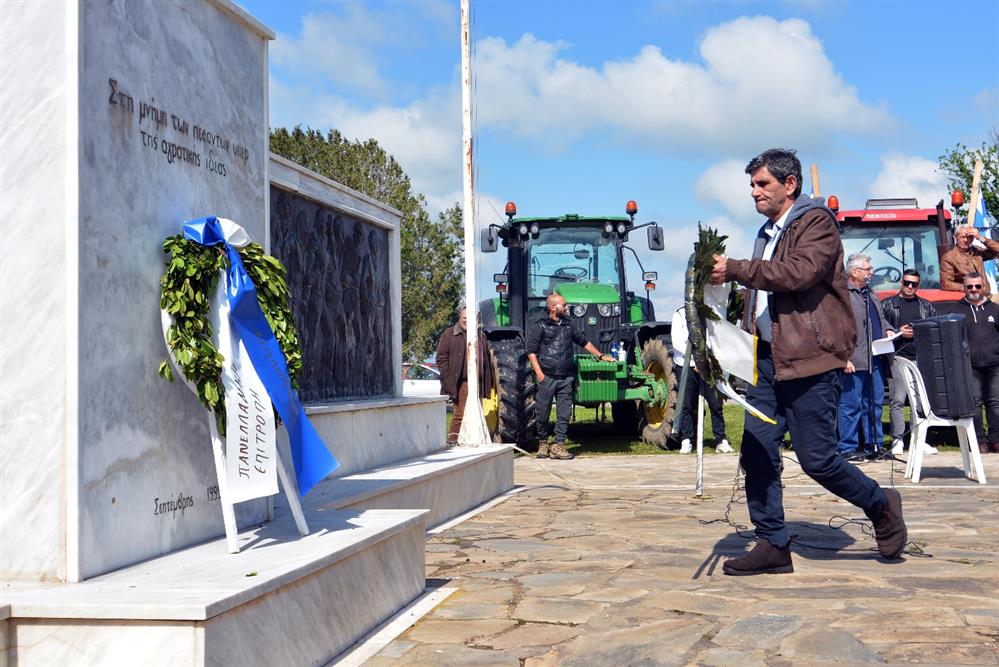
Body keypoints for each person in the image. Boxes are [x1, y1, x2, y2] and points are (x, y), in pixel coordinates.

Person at [710, 148, 907, 576]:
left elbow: (798, 272)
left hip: (810, 359)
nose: (754, 192)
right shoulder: (767, 230)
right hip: (765, 361)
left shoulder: (816, 222)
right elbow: (762, 292)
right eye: (752, 185)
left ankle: (881, 504)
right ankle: (773, 543)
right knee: (758, 453)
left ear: (790, 184)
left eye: (763, 184)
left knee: (818, 459)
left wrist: (738, 269)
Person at [526, 293, 614, 460]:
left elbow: (584, 342)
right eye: (564, 305)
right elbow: (531, 351)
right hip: (547, 377)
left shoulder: (569, 325)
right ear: (553, 307)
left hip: (565, 377)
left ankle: (558, 445)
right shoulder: (540, 326)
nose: (567, 307)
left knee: (564, 413)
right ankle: (543, 442)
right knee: (542, 412)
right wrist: (539, 373)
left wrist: (601, 356)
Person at [838, 253, 895, 459]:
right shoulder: (843, 294)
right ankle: (847, 448)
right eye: (868, 269)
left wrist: (888, 329)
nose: (872, 272)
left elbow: (879, 319)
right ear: (855, 272)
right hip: (854, 360)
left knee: (874, 405)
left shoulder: (870, 294)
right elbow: (837, 329)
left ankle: (875, 446)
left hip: (875, 359)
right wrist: (843, 358)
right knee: (850, 406)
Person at [881, 269, 937, 455]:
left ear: (918, 286)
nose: (910, 287)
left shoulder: (926, 306)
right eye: (907, 283)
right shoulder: (888, 305)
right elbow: (882, 330)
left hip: (920, 357)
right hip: (897, 356)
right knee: (898, 399)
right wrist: (899, 331)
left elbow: (933, 330)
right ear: (901, 283)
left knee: (919, 400)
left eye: (914, 284)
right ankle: (897, 439)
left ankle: (919, 439)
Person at [670, 308, 733, 454]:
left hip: (707, 365)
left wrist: (705, 359)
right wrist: (695, 359)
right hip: (685, 364)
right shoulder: (679, 314)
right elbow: (677, 342)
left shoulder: (708, 312)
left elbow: (714, 338)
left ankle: (720, 439)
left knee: (715, 403)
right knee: (686, 404)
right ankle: (687, 439)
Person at [436, 307, 493, 445]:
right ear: (460, 317)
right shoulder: (449, 334)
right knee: (461, 414)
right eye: (464, 317)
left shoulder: (480, 335)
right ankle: (452, 441)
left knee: (475, 413)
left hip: (477, 382)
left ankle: (472, 440)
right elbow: (441, 357)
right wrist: (447, 376)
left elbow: (486, 359)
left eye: (470, 318)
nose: (466, 321)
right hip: (460, 382)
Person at [956, 272, 999, 454]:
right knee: (975, 403)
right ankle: (979, 440)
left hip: (995, 364)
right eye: (970, 286)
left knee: (996, 402)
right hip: (970, 365)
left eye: (978, 286)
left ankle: (996, 439)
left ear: (984, 287)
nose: (974, 289)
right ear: (965, 288)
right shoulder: (956, 309)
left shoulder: (995, 309)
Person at [940, 225, 999, 295]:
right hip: (967, 297)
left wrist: (981, 238)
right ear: (955, 237)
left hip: (986, 296)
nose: (966, 240)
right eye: (963, 237)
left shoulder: (977, 251)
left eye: (969, 237)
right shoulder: (949, 257)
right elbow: (946, 284)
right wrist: (970, 288)